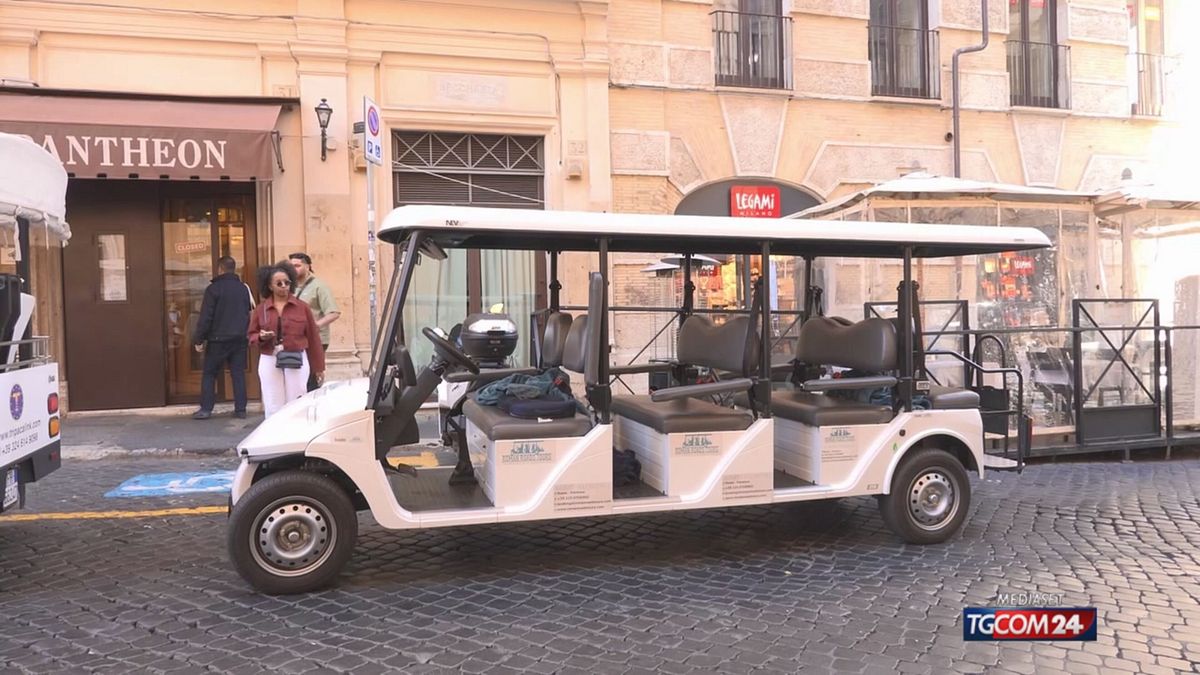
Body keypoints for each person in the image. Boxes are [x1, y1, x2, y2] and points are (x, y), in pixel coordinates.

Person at [249, 262, 326, 417]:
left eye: (287, 282)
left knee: (297, 399)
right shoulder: (261, 309)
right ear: (270, 286)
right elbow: (251, 335)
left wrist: (318, 367)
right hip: (269, 356)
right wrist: (261, 337)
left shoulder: (302, 307)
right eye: (279, 283)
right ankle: (275, 435)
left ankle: (296, 434)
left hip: (296, 355)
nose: (284, 286)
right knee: (272, 401)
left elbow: (313, 337)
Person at [191, 256, 252, 420]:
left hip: (217, 339)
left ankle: (206, 409)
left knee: (210, 374)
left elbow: (206, 317)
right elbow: (248, 313)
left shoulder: (213, 289)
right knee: (237, 373)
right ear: (234, 269)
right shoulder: (243, 288)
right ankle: (240, 409)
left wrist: (198, 339)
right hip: (239, 338)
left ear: (220, 269)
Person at [289, 252, 340, 391]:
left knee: (310, 376)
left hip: (316, 340)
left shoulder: (319, 286)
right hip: (295, 339)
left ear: (307, 266)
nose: (293, 269)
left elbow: (334, 312)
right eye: (291, 266)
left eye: (297, 265)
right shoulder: (288, 286)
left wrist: (316, 325)